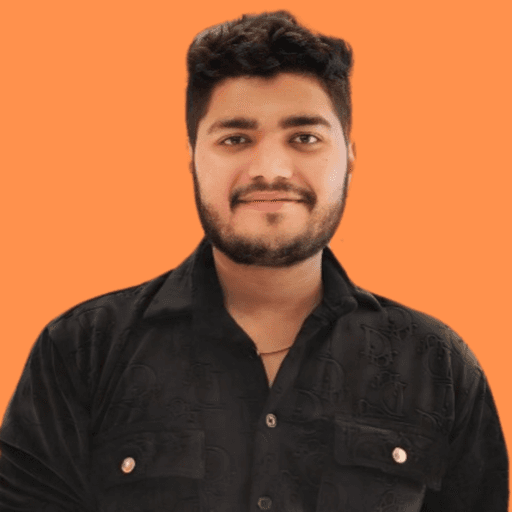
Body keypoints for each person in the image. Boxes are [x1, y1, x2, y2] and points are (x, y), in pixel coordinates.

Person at [0, 9, 508, 512]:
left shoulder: (436, 363)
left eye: (304, 138)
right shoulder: (82, 351)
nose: (270, 170)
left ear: (349, 157)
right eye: (235, 139)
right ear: (193, 156)